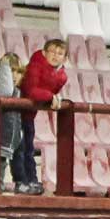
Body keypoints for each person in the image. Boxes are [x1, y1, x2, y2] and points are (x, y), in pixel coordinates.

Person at [15, 39, 68, 196]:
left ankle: (32, 180)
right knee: (20, 148)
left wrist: (51, 97)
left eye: (60, 54)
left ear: (65, 58)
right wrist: (50, 96)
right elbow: (32, 91)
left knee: (28, 148)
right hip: (16, 112)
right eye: (52, 52)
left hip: (29, 115)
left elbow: (50, 93)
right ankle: (22, 181)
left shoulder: (62, 76)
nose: (55, 56)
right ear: (44, 53)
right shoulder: (35, 66)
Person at [0, 52, 26, 192]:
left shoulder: (19, 92)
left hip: (9, 144)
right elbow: (5, 91)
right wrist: (4, 65)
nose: (14, 76)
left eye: (18, 72)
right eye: (11, 71)